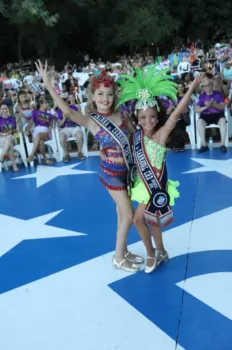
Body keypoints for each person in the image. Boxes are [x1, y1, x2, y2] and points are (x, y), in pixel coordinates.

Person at [35, 60, 144, 273]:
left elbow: (136, 136)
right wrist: (48, 84)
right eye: (100, 94)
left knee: (121, 214)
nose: (105, 98)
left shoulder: (122, 115)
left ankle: (124, 249)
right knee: (128, 215)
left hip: (127, 172)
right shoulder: (92, 121)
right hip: (111, 173)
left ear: (115, 95)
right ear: (93, 96)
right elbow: (66, 111)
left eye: (109, 94)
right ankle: (118, 257)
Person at [116, 65, 202, 273]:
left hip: (156, 184)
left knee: (139, 219)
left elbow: (178, 110)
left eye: (153, 116)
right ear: (137, 117)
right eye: (143, 117)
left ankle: (152, 253)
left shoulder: (161, 134)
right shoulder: (135, 134)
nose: (148, 121)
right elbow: (122, 118)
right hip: (141, 184)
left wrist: (191, 88)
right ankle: (160, 251)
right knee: (151, 220)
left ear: (158, 116)